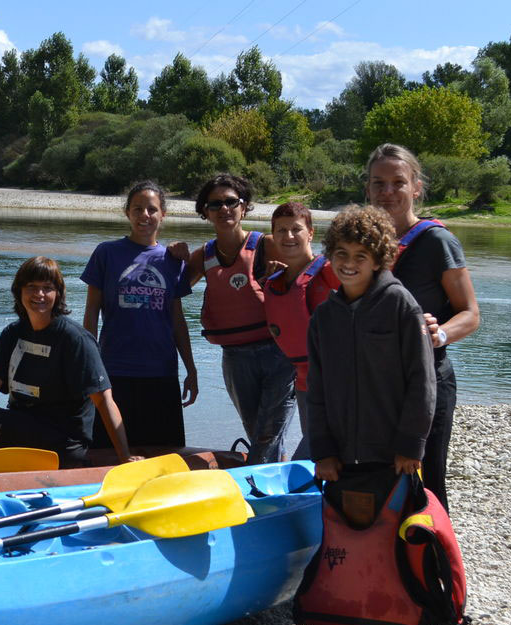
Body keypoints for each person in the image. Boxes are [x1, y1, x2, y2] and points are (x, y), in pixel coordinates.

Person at [305, 205, 437, 625]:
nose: (349, 262)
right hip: (341, 453)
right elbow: (315, 390)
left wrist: (410, 445)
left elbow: (423, 381)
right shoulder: (324, 317)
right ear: (328, 256)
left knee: (388, 545)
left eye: (361, 254)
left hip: (390, 454)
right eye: (340, 253)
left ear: (381, 258)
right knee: (346, 543)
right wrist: (322, 450)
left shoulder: (401, 305)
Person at [0, 256, 139, 467]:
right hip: (22, 426)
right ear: (19, 291)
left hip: (61, 442)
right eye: (31, 286)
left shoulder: (75, 339)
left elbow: (103, 400)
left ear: (58, 294)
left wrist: (124, 455)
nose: (39, 294)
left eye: (47, 287)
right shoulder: (13, 333)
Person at [366, 143, 481, 511]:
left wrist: (440, 334)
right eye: (378, 183)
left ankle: (437, 564)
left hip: (428, 383)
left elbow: (471, 314)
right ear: (367, 188)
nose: (387, 193)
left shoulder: (437, 242)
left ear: (416, 186)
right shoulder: (361, 242)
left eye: (398, 182)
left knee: (428, 484)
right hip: (376, 385)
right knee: (376, 479)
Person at [175, 173, 295, 465]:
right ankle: (275, 482)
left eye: (231, 202)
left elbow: (308, 281)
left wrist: (282, 278)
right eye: (215, 204)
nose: (224, 209)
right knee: (257, 432)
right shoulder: (203, 256)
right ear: (205, 212)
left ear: (244, 207)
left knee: (268, 433)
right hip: (235, 358)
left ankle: (254, 491)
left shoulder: (267, 245)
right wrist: (171, 259)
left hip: (278, 353)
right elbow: (171, 292)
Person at [80, 181, 197, 449]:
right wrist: (89, 367)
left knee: (163, 453)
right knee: (109, 453)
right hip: (113, 373)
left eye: (152, 209)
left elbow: (177, 321)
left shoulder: (171, 259)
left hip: (161, 373)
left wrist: (191, 369)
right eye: (138, 208)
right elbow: (91, 314)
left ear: (163, 215)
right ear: (127, 213)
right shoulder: (106, 253)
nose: (145, 215)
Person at [262, 201, 339, 461]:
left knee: (318, 453)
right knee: (317, 456)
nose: (289, 236)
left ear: (311, 233)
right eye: (281, 230)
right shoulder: (274, 282)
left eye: (296, 229)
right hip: (305, 381)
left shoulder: (330, 272)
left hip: (337, 381)